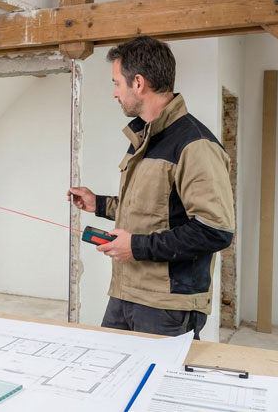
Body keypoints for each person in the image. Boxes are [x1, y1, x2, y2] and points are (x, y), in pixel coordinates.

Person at [67, 36, 234, 340]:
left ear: (138, 83)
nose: (115, 93)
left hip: (166, 305)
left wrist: (136, 247)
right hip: (126, 292)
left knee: (159, 374)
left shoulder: (195, 145)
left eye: (117, 83)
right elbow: (153, 208)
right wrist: (98, 204)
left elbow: (215, 231)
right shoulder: (146, 137)